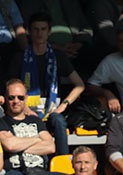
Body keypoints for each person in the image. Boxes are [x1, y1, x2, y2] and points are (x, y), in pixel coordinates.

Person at [10, 12, 85, 156]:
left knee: (59, 121)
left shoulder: (58, 56)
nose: (39, 33)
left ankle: (61, 162)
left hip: (52, 109)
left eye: (43, 29)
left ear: (49, 32)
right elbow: (10, 87)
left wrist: (64, 105)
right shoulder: (19, 58)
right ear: (29, 32)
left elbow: (80, 84)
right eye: (36, 29)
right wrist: (24, 107)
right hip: (25, 109)